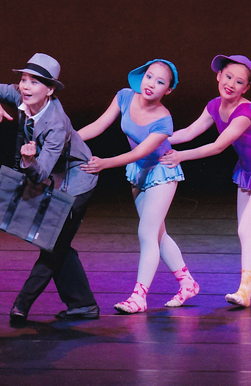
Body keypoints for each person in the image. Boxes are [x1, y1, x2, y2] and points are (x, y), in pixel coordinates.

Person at [0, 53, 100, 323]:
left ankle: (22, 304)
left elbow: (40, 173)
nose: (26, 86)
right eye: (24, 79)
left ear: (50, 90)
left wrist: (29, 160)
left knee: (52, 244)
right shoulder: (21, 96)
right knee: (58, 243)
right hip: (55, 176)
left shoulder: (56, 123)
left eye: (34, 82)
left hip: (77, 180)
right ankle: (83, 304)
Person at [160, 55, 251, 307]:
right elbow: (189, 132)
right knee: (250, 231)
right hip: (248, 172)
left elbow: (218, 146)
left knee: (247, 230)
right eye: (228, 76)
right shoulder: (213, 105)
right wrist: (157, 139)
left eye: (239, 82)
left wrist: (180, 156)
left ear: (246, 88)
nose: (231, 84)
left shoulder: (245, 112)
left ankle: (244, 290)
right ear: (219, 76)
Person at [78, 59, 199, 314]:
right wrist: (69, 139)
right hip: (138, 172)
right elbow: (99, 125)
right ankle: (187, 283)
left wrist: (104, 164)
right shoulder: (124, 96)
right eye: (149, 76)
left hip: (161, 172)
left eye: (160, 82)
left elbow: (139, 152)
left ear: (168, 90)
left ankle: (139, 297)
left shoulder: (164, 121)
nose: (151, 84)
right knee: (157, 234)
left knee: (147, 233)